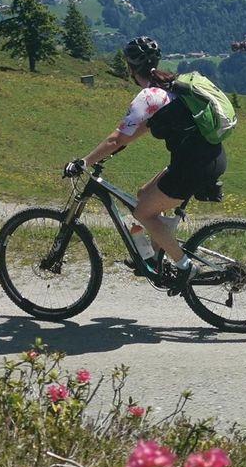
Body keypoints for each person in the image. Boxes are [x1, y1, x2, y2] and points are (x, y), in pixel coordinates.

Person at [67, 37, 226, 293]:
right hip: (209, 158)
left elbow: (116, 138)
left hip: (192, 167)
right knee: (143, 195)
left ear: (130, 68)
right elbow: (136, 131)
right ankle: (152, 257)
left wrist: (84, 162)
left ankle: (185, 266)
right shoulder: (169, 87)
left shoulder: (149, 95)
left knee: (142, 213)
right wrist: (115, 147)